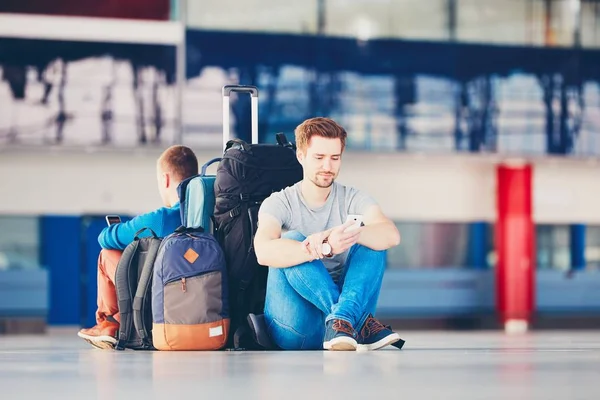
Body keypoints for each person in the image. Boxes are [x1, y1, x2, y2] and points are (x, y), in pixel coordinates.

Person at [254, 117, 402, 351]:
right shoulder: (279, 202)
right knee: (292, 241)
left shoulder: (353, 198)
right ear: (301, 156)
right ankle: (350, 318)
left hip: (344, 335)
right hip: (295, 328)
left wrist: (338, 234)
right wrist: (324, 247)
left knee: (371, 242)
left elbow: (391, 235)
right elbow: (263, 251)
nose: (328, 166)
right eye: (319, 158)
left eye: (335, 158)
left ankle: (342, 318)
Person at [77, 145, 198, 349]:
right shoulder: (211, 212)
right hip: (198, 298)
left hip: (158, 298)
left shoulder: (160, 218)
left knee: (107, 254)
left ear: (166, 179)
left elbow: (104, 238)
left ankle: (109, 324)